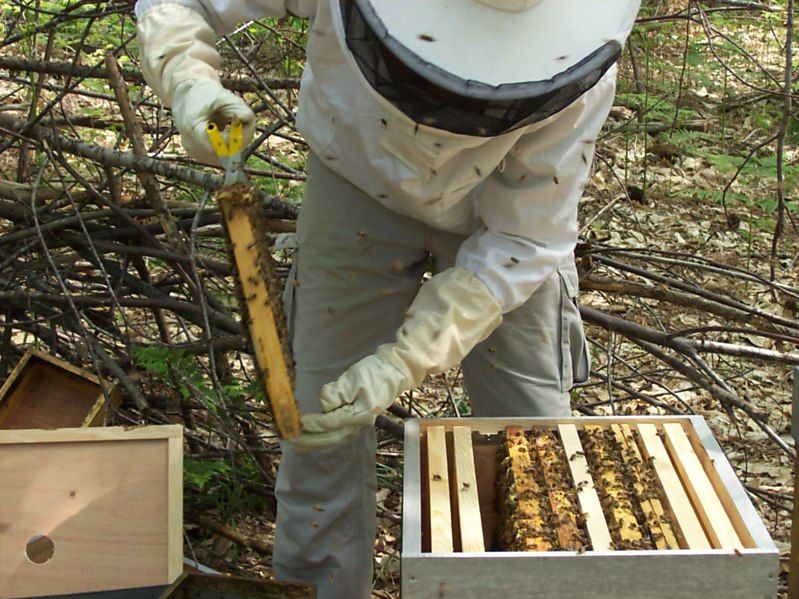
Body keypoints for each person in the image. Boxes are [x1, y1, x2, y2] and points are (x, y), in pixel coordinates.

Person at [134, 1, 641, 596]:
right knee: (319, 429)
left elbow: (526, 236)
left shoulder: (581, 53)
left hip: (500, 218)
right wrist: (188, 81)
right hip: (356, 180)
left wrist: (403, 360)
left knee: (533, 447)